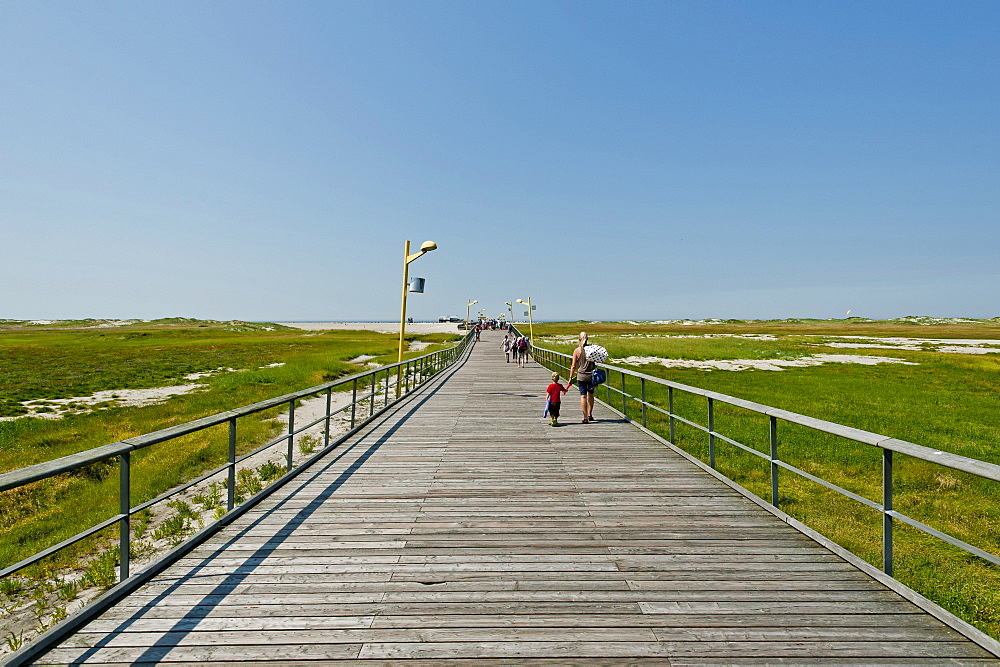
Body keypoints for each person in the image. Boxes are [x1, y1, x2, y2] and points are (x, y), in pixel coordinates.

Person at [567, 331, 596, 423]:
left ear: (579, 339)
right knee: (590, 394)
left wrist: (571, 377)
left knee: (583, 396)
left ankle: (585, 418)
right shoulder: (592, 349)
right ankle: (590, 414)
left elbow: (573, 366)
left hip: (581, 376)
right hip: (591, 376)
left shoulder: (577, 351)